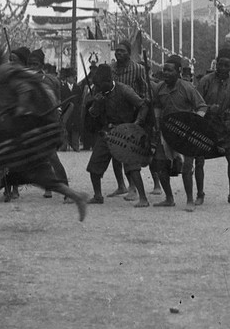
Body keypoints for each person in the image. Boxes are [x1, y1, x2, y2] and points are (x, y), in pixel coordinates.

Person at [0, 45, 88, 229]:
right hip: (16, 128)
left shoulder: (6, 72)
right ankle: (76, 196)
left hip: (20, 129)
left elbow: (24, 90)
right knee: (29, 172)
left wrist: (20, 116)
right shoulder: (1, 74)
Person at [84, 63, 151, 207]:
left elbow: (143, 105)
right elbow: (93, 114)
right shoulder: (98, 91)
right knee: (94, 165)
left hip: (125, 132)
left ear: (109, 80)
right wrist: (96, 104)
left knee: (132, 167)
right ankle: (97, 196)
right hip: (107, 132)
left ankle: (143, 198)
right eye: (96, 85)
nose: (98, 88)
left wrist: (136, 124)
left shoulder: (125, 90)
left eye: (100, 85)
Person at [150, 56, 207, 209]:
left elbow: (202, 106)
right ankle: (169, 198)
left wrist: (195, 121)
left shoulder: (187, 88)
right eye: (164, 70)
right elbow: (157, 106)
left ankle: (190, 200)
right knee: (160, 165)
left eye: (170, 70)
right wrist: (157, 122)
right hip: (167, 131)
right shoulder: (160, 88)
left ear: (179, 71)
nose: (166, 73)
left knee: (187, 168)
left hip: (186, 132)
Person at [197, 51, 230, 205]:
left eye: (226, 65)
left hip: (225, 123)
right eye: (220, 64)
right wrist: (209, 109)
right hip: (206, 123)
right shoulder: (205, 81)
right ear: (215, 64)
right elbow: (196, 104)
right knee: (199, 158)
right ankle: (200, 194)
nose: (223, 68)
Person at [109, 41, 149, 200]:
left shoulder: (138, 69)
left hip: (132, 115)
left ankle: (133, 187)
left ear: (129, 53)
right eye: (117, 50)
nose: (118, 53)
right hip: (113, 114)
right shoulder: (111, 68)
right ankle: (121, 185)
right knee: (114, 150)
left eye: (122, 51)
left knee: (128, 152)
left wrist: (141, 115)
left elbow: (145, 91)